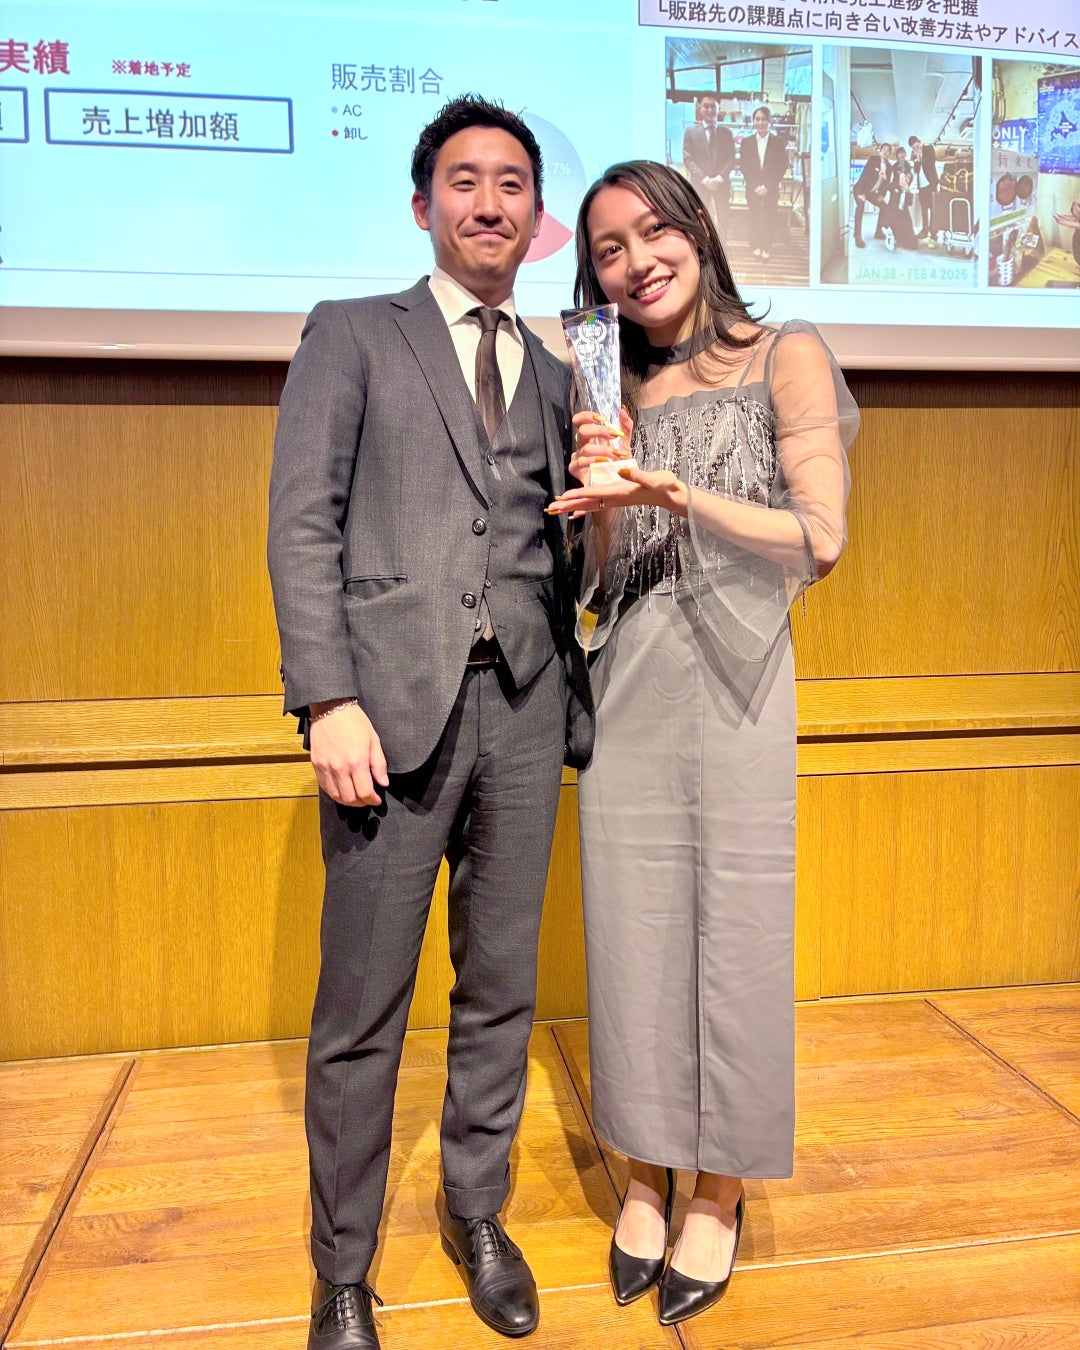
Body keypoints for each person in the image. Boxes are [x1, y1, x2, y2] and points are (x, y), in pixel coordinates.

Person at [268, 93, 592, 1350]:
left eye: (512, 184)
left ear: (537, 215)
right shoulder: (354, 332)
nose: (489, 203)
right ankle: (342, 1271)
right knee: (362, 1008)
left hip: (525, 708)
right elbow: (303, 522)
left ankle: (477, 1213)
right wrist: (326, 697)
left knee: (500, 990)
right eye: (465, 180)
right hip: (384, 716)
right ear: (422, 205)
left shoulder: (562, 374)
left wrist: (611, 504)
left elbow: (563, 559)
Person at [547, 161, 857, 1327]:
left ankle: (718, 1185)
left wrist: (678, 494)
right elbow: (595, 582)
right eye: (608, 249)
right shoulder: (606, 385)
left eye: (653, 231)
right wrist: (607, 490)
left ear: (697, 231)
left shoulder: (786, 354)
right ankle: (644, 1168)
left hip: (739, 676)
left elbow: (819, 538)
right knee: (630, 927)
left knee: (738, 927)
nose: (636, 262)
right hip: (630, 672)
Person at [738, 105, 789, 260]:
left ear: (769, 121)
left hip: (771, 188)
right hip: (752, 187)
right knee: (754, 216)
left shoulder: (778, 142)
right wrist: (755, 185)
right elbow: (744, 166)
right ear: (753, 121)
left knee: (770, 216)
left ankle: (766, 246)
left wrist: (768, 185)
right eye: (757, 119)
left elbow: (782, 166)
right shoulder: (746, 142)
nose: (760, 122)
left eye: (764, 119)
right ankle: (755, 245)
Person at [682, 94, 736, 241]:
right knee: (699, 216)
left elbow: (731, 158)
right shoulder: (691, 131)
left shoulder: (726, 133)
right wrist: (704, 179)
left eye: (713, 106)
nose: (710, 109)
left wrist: (719, 178)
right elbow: (688, 158)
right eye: (706, 106)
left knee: (723, 216)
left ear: (719, 108)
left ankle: (723, 245)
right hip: (700, 184)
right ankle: (703, 245)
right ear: (700, 107)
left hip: (721, 184)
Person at [852, 144, 891, 248]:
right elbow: (864, 175)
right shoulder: (873, 160)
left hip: (872, 192)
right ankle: (857, 236)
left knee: (884, 206)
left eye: (888, 151)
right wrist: (861, 193)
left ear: (889, 154)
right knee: (860, 205)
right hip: (860, 188)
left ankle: (878, 232)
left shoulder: (889, 167)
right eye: (884, 149)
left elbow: (887, 184)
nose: (885, 152)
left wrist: (882, 195)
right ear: (880, 151)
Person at [908, 135, 939, 239]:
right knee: (924, 210)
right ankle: (924, 231)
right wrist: (917, 158)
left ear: (920, 142)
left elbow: (932, 160)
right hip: (921, 187)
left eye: (917, 146)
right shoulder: (914, 156)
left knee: (933, 209)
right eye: (913, 148)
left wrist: (921, 156)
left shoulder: (929, 148)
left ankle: (934, 232)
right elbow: (916, 170)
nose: (916, 149)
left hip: (931, 184)